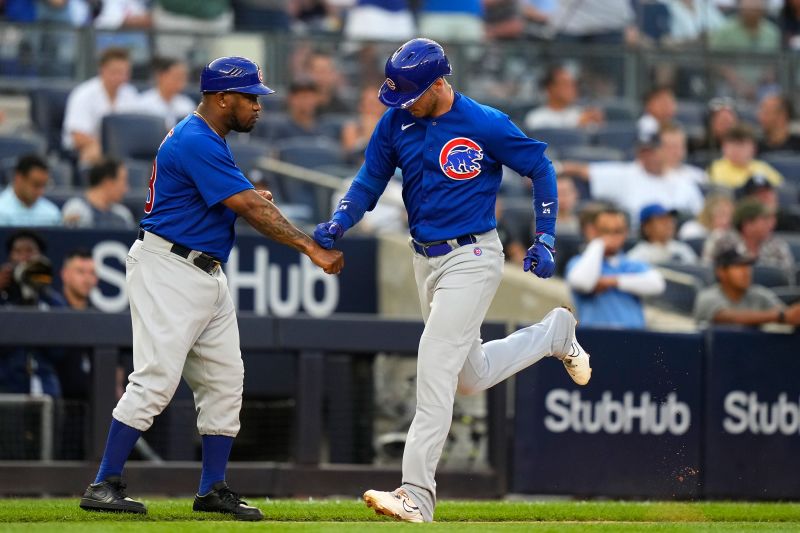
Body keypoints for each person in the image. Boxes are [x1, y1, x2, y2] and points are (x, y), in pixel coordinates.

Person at [312, 38, 591, 523]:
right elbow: (369, 181)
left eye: (411, 93)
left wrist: (545, 235)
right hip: (425, 259)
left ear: (439, 83)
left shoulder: (483, 122)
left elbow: (541, 167)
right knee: (469, 376)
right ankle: (553, 335)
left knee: (434, 365)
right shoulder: (396, 118)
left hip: (472, 254)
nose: (402, 103)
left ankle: (417, 494)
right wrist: (340, 220)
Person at [78, 56, 343, 520]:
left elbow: (226, 202)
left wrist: (246, 202)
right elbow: (248, 208)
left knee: (224, 382)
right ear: (222, 98)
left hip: (203, 270)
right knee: (157, 379)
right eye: (250, 98)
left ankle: (212, 489)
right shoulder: (197, 138)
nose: (258, 107)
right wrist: (311, 248)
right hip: (170, 266)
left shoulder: (207, 137)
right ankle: (105, 482)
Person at [560, 131, 704, 224]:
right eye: (643, 152)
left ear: (662, 150)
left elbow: (701, 215)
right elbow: (583, 170)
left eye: (652, 151)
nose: (647, 156)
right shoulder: (626, 174)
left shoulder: (683, 180)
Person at [566, 206, 666, 329]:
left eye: (618, 231)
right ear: (593, 231)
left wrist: (611, 282)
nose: (612, 236)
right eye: (606, 231)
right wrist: (598, 243)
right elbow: (581, 282)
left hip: (634, 339)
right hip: (595, 340)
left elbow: (658, 284)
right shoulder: (578, 262)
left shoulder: (631, 263)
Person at [62, 47, 140, 164]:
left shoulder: (130, 93)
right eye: (115, 72)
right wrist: (110, 145)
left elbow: (137, 128)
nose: (120, 77)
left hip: (124, 149)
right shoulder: (84, 94)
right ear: (102, 70)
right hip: (90, 148)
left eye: (124, 73)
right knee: (94, 151)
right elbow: (78, 137)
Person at [693, 243, 800, 326]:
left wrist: (792, 314)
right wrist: (780, 316)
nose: (746, 272)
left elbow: (787, 314)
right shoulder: (707, 297)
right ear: (721, 272)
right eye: (739, 267)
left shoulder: (760, 295)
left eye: (748, 266)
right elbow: (729, 318)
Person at [702, 198, 795, 279]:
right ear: (747, 224)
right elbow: (707, 271)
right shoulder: (720, 240)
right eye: (764, 220)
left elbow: (789, 276)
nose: (769, 224)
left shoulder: (777, 245)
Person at [524, 65, 604, 131]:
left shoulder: (581, 114)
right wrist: (578, 124)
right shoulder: (536, 117)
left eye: (573, 84)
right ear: (550, 88)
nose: (572, 89)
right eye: (565, 84)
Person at [62, 158, 135, 229]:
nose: (126, 189)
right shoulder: (76, 210)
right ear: (108, 182)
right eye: (123, 181)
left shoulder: (123, 215)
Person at [708, 124, 784, 188]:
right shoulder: (716, 168)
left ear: (753, 148)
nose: (736, 149)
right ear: (724, 147)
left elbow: (780, 188)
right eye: (732, 144)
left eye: (741, 144)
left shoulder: (761, 168)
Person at [0, 154, 61, 227]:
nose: (40, 191)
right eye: (36, 185)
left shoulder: (52, 214)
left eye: (43, 185)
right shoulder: (1, 210)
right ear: (19, 178)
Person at [135, 57, 196, 129]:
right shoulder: (142, 104)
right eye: (176, 76)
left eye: (183, 77)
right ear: (160, 76)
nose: (181, 81)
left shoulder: (187, 105)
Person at [628, 203, 698, 265]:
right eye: (662, 220)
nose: (668, 224)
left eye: (670, 219)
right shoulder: (637, 255)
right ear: (647, 227)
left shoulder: (682, 249)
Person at [341, 84, 386, 164]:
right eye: (370, 104)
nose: (374, 109)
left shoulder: (393, 127)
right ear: (361, 107)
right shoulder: (352, 127)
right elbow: (350, 156)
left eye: (378, 104)